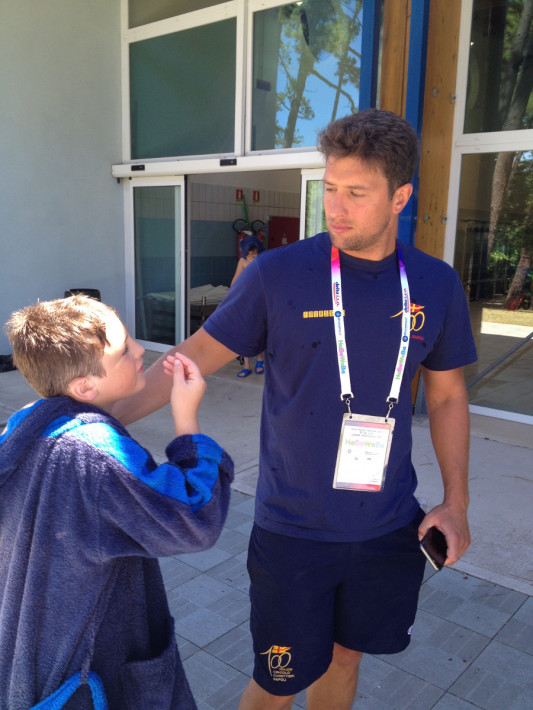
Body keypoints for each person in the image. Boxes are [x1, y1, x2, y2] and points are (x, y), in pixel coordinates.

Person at [113, 108, 477, 710]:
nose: (336, 206)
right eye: (331, 188)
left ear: (400, 196)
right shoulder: (278, 274)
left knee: (346, 655)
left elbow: (446, 395)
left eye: (356, 193)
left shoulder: (435, 284)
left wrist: (457, 503)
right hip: (294, 532)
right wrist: (97, 419)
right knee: (279, 680)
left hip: (388, 526)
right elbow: (192, 357)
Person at [0, 295, 233, 710]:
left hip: (37, 650)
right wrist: (187, 423)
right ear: (86, 387)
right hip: (92, 670)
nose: (141, 348)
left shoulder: (24, 426)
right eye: (125, 350)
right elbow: (194, 519)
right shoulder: (95, 455)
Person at [231, 234, 265, 377]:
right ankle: (246, 365)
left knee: (258, 331)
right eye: (249, 254)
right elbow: (234, 282)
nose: (252, 256)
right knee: (245, 332)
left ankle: (260, 360)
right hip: (246, 300)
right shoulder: (242, 262)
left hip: (259, 300)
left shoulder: (263, 260)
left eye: (254, 253)